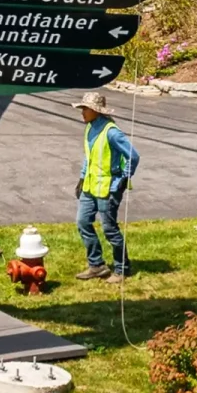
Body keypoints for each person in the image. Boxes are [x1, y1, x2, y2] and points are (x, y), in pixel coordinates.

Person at [72, 90, 139, 280]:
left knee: (109, 229)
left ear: (96, 111)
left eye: (85, 108)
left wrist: (122, 180)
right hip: (90, 187)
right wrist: (82, 178)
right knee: (83, 222)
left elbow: (133, 156)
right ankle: (97, 265)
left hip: (108, 189)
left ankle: (122, 268)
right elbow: (90, 156)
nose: (82, 112)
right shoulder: (90, 127)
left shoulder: (112, 132)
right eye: (82, 108)